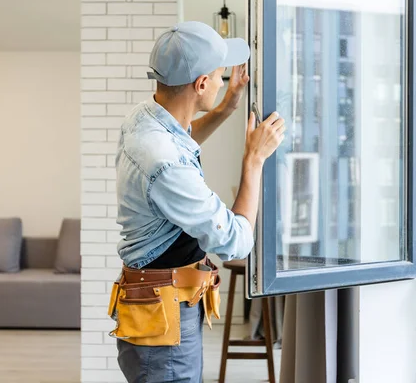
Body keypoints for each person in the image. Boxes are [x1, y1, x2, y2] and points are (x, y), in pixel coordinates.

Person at [110, 21, 285, 383]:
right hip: (164, 323)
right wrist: (253, 160)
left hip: (161, 308)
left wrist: (224, 109)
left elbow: (181, 144)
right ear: (201, 84)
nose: (223, 84)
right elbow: (235, 241)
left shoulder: (146, 118)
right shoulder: (162, 160)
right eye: (220, 77)